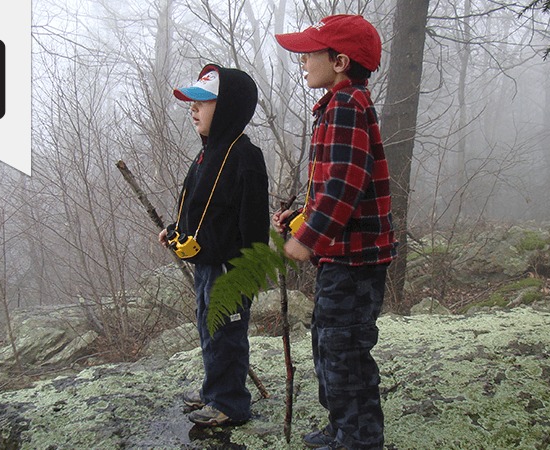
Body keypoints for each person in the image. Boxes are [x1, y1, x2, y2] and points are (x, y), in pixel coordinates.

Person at [273, 14, 396, 450]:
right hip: (341, 256)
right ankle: (342, 427)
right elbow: (331, 185)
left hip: (355, 260)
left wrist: (307, 238)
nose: (303, 61)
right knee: (327, 344)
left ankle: (359, 439)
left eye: (310, 54)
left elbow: (346, 183)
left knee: (344, 351)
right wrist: (301, 217)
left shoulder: (346, 106)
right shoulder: (337, 105)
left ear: (340, 62)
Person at [158, 64, 269, 427]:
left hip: (230, 267)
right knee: (209, 330)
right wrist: (176, 230)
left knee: (226, 334)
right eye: (193, 101)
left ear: (228, 108)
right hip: (207, 264)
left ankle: (230, 403)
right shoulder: (208, 153)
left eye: (203, 102)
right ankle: (214, 390)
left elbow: (254, 220)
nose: (193, 108)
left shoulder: (244, 156)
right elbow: (199, 204)